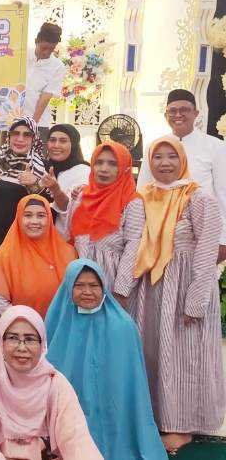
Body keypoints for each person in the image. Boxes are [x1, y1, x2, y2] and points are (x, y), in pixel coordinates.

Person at [132, 136, 226, 454]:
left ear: (183, 160)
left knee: (185, 356)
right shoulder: (144, 197)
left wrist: (196, 300)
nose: (164, 163)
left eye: (172, 156)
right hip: (152, 289)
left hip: (185, 287)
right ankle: (159, 417)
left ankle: (181, 426)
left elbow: (207, 251)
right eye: (157, 157)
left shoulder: (198, 198)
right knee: (156, 354)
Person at [45, 259, 167, 460]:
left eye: (94, 285)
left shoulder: (123, 325)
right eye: (79, 285)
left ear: (103, 288)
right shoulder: (56, 323)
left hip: (113, 410)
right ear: (68, 287)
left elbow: (132, 383)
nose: (87, 292)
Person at [0, 305, 102, 460]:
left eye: (30, 339)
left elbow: (77, 440)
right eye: (13, 338)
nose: (22, 348)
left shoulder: (55, 383)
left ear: (42, 344)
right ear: (0, 342)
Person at [137, 89, 226, 264]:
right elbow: (142, 191)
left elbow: (223, 193)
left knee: (197, 276)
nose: (178, 115)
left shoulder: (215, 146)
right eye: (172, 111)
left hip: (201, 230)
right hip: (159, 229)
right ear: (166, 115)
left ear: (196, 113)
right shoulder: (154, 146)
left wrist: (223, 239)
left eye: (184, 110)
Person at [59, 142, 143, 303]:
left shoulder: (132, 201)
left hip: (111, 278)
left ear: (124, 168)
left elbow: (133, 247)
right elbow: (70, 235)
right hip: (78, 276)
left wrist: (121, 290)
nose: (104, 169)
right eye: (99, 162)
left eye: (113, 164)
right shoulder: (82, 196)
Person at [0, 195, 77, 319]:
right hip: (22, 327)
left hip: (63, 324)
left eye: (41, 215)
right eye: (28, 215)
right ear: (19, 218)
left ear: (49, 218)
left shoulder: (69, 253)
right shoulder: (4, 257)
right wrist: (26, 324)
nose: (34, 221)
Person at [0, 117, 48, 251]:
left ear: (34, 139)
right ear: (8, 137)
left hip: (30, 240)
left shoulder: (42, 167)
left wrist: (35, 183)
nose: (20, 139)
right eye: (15, 133)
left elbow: (49, 206)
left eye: (27, 135)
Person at [39, 124, 89, 232]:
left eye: (63, 141)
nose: (56, 145)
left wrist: (55, 189)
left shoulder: (83, 171)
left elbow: (70, 207)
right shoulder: (42, 167)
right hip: (39, 236)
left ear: (73, 144)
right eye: (52, 140)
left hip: (67, 238)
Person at [23, 22, 66, 138]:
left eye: (51, 49)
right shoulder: (22, 55)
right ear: (36, 41)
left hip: (39, 123)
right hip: (12, 120)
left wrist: (32, 124)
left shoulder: (58, 66)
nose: (46, 52)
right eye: (43, 48)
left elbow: (45, 97)